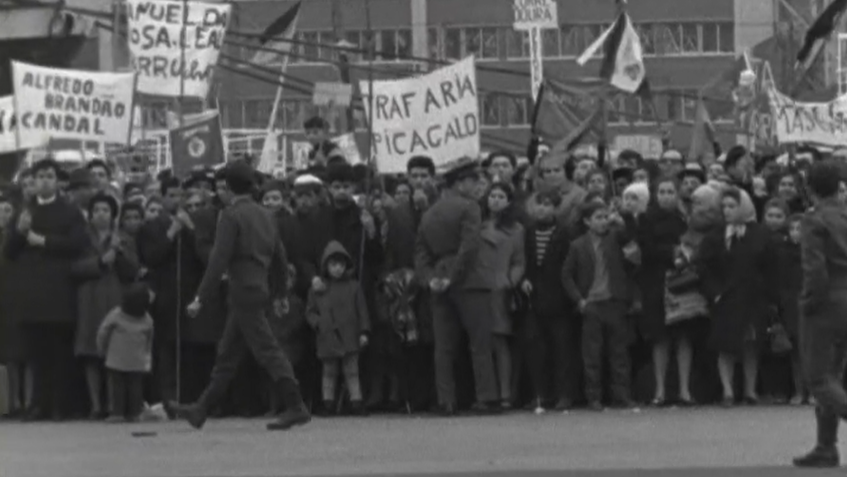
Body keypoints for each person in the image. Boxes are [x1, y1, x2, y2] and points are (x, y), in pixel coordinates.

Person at [168, 161, 311, 431]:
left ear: (229, 187)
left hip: (241, 289)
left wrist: (200, 296)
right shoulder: (266, 215)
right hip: (259, 289)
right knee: (228, 353)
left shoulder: (231, 215)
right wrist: (280, 291)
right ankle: (201, 408)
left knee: (268, 350)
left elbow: (219, 260)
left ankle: (296, 405)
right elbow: (279, 256)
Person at [4, 158, 88, 421]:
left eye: (50, 176)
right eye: (40, 176)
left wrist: (44, 241)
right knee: (36, 354)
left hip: (60, 290)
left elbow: (78, 244)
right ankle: (38, 404)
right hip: (31, 293)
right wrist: (18, 233)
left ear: (57, 181)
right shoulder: (24, 211)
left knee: (60, 353)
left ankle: (60, 406)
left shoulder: (69, 211)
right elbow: (9, 252)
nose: (44, 181)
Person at [415, 157, 499, 415]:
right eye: (473, 180)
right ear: (460, 183)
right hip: (470, 280)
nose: (477, 186)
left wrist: (431, 278)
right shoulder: (469, 207)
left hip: (439, 278)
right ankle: (486, 396)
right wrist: (454, 275)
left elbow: (420, 252)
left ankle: (446, 399)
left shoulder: (429, 213)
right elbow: (469, 246)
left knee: (444, 346)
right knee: (480, 342)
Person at [793, 160, 847, 468]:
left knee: (818, 378)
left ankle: (827, 445)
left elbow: (815, 270)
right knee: (834, 374)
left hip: (827, 303)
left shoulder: (814, 220)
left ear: (810, 188)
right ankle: (826, 445)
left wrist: (808, 302)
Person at [562, 201, 635, 411]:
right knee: (592, 354)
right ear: (587, 222)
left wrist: (623, 217)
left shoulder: (615, 239)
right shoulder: (577, 245)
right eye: (598, 218)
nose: (603, 222)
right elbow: (566, 275)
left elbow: (630, 239)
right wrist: (579, 299)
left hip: (614, 301)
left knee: (619, 352)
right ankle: (593, 397)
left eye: (605, 217)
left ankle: (622, 395)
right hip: (592, 304)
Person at [307, 241, 371, 415]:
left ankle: (356, 401)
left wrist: (364, 331)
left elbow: (362, 311)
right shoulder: (318, 289)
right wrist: (318, 323)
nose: (337, 269)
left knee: (352, 371)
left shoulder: (354, 286)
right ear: (326, 266)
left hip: (350, 335)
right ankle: (328, 402)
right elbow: (310, 311)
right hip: (327, 336)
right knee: (329, 372)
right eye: (333, 264)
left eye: (341, 264)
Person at [96, 283, 154, 423]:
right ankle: (135, 413)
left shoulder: (116, 315)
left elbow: (103, 332)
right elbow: (149, 340)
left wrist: (101, 349)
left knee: (117, 387)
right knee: (135, 388)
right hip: (137, 361)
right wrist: (147, 356)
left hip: (116, 359)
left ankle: (117, 413)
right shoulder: (147, 320)